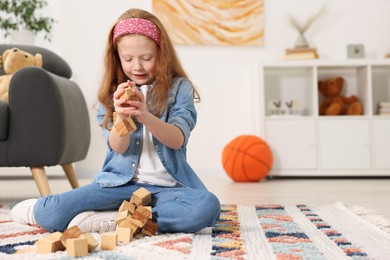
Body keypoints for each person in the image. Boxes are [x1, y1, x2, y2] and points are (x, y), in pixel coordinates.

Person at [11, 8, 220, 234]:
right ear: (117, 58)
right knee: (51, 215)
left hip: (168, 190)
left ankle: (118, 220)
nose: (137, 66)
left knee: (207, 207)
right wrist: (123, 116)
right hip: (118, 185)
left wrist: (145, 115)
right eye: (128, 59)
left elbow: (177, 140)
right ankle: (39, 208)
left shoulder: (180, 88)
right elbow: (118, 147)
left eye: (146, 58)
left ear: (162, 55)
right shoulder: (113, 93)